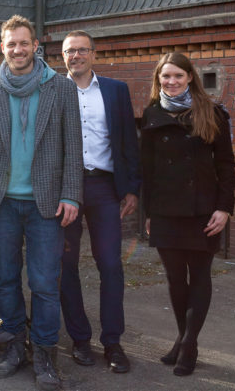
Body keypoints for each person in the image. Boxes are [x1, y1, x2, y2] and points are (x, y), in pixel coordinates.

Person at [0, 15, 82, 391]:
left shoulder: (61, 89)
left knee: (45, 282)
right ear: (2, 48)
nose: (18, 49)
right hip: (1, 204)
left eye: (24, 43)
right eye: (10, 44)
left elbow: (73, 147)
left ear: (36, 45)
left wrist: (70, 194)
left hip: (46, 204)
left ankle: (46, 352)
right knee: (5, 279)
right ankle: (14, 344)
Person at [142, 52, 235, 377]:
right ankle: (183, 336)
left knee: (198, 276)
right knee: (173, 279)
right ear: (158, 80)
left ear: (190, 78)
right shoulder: (152, 115)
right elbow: (148, 171)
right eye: (165, 77)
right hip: (166, 211)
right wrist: (148, 213)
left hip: (203, 212)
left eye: (177, 76)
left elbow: (226, 165)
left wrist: (224, 209)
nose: (171, 82)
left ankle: (189, 344)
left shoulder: (211, 113)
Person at [59, 30, 141, 373]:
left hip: (105, 188)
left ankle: (112, 342)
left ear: (93, 54)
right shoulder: (53, 89)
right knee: (65, 265)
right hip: (65, 190)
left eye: (81, 50)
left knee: (110, 264)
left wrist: (132, 188)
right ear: (62, 56)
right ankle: (80, 339)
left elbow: (127, 141)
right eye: (68, 51)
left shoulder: (115, 90)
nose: (75, 56)